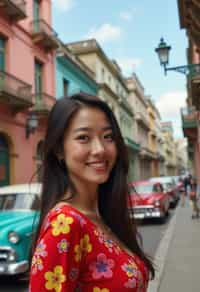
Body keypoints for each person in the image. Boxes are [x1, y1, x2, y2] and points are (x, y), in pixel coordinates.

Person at [29, 93, 154, 291]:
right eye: (83, 138)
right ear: (59, 150)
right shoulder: (65, 224)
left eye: (107, 137)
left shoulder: (102, 217)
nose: (99, 149)